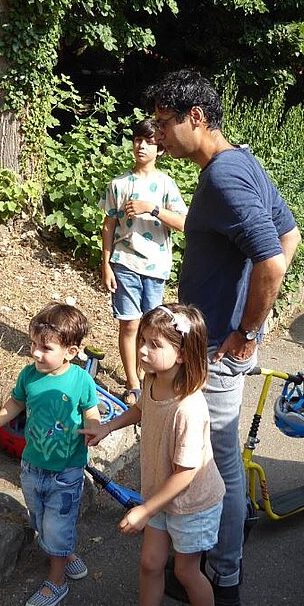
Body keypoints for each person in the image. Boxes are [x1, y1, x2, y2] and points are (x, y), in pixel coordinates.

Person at [145, 69, 302, 606]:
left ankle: (224, 580)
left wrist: (246, 330)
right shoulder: (241, 162)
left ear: (196, 117)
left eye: (164, 123)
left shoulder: (225, 177)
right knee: (212, 460)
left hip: (217, 348)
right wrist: (250, 319)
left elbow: (273, 259)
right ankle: (202, 562)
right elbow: (290, 234)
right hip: (211, 342)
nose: (157, 134)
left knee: (218, 466)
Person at [81, 303, 225, 606]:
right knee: (150, 562)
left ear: (182, 354)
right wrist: (107, 427)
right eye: (143, 340)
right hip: (159, 493)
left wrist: (145, 510)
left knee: (186, 572)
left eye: (154, 344)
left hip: (192, 504)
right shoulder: (153, 379)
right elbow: (141, 409)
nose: (142, 350)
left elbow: (185, 473)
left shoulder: (188, 408)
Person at [0, 303, 100, 606]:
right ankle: (64, 552)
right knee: (40, 519)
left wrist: (94, 427)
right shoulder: (29, 375)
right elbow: (15, 404)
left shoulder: (80, 380)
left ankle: (56, 581)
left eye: (45, 348)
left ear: (70, 352)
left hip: (66, 471)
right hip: (31, 467)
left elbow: (90, 410)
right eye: (33, 344)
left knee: (56, 524)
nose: (35, 353)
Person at [100, 118, 187, 406]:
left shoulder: (166, 184)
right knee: (129, 325)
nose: (141, 146)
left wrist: (152, 209)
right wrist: (106, 264)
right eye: (138, 140)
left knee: (153, 328)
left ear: (160, 148)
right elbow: (109, 226)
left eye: (149, 142)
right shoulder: (119, 184)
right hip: (124, 262)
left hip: (156, 267)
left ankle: (153, 377)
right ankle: (133, 383)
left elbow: (184, 223)